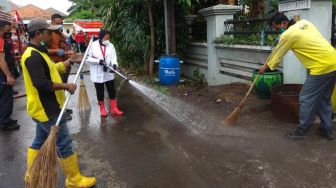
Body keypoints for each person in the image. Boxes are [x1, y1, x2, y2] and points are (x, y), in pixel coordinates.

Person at [22, 18, 96, 187]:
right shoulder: (32, 56)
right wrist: (66, 85)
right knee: (63, 142)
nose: (52, 35)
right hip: (48, 109)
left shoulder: (39, 51)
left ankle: (32, 174)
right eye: (49, 32)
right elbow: (41, 83)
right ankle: (74, 179)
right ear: (38, 33)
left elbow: (52, 70)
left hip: (42, 109)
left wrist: (70, 61)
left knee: (40, 140)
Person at [258, 12, 336, 140]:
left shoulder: (288, 34)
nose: (278, 31)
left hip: (322, 67)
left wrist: (265, 68)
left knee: (306, 97)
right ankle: (326, 129)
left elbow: (277, 54)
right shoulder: (305, 23)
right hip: (334, 60)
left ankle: (302, 131)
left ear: (283, 23)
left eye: (277, 28)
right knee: (323, 98)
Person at [87, 29, 124, 117]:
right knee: (100, 92)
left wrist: (114, 64)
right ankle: (102, 109)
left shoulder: (110, 45)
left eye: (108, 38)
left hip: (108, 72)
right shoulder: (92, 45)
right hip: (97, 73)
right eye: (105, 38)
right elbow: (87, 58)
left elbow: (113, 57)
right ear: (100, 37)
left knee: (112, 90)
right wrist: (98, 61)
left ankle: (114, 108)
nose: (107, 40)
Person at [48, 14, 75, 120]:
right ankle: (59, 112)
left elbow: (66, 47)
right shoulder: (48, 35)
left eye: (61, 23)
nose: (59, 25)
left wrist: (70, 55)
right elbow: (43, 50)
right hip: (56, 66)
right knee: (58, 89)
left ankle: (62, 107)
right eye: (57, 23)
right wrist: (56, 51)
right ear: (52, 22)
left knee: (63, 88)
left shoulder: (62, 34)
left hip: (65, 65)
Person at [0, 20, 20, 131]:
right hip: (2, 74)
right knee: (5, 98)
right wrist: (9, 76)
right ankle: (5, 122)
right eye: (7, 31)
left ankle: (6, 118)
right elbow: (1, 60)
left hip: (3, 74)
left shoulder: (3, 40)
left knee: (6, 97)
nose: (9, 33)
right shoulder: (0, 41)